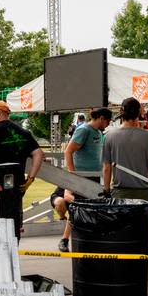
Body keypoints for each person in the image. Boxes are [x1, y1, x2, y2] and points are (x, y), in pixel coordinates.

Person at [0, 100, 44, 236]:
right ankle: (13, 252)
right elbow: (38, 154)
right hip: (16, 186)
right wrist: (31, 178)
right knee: (13, 227)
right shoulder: (23, 133)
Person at [54, 107, 112, 251]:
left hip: (94, 177)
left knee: (91, 209)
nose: (109, 124)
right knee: (78, 208)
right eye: (108, 121)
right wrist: (72, 174)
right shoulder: (84, 130)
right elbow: (68, 151)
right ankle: (64, 240)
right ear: (101, 118)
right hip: (81, 177)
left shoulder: (99, 132)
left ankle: (91, 240)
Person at [102, 97, 148, 201]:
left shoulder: (109, 136)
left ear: (121, 113)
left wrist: (106, 190)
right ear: (138, 113)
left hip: (119, 193)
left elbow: (107, 167)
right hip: (143, 193)